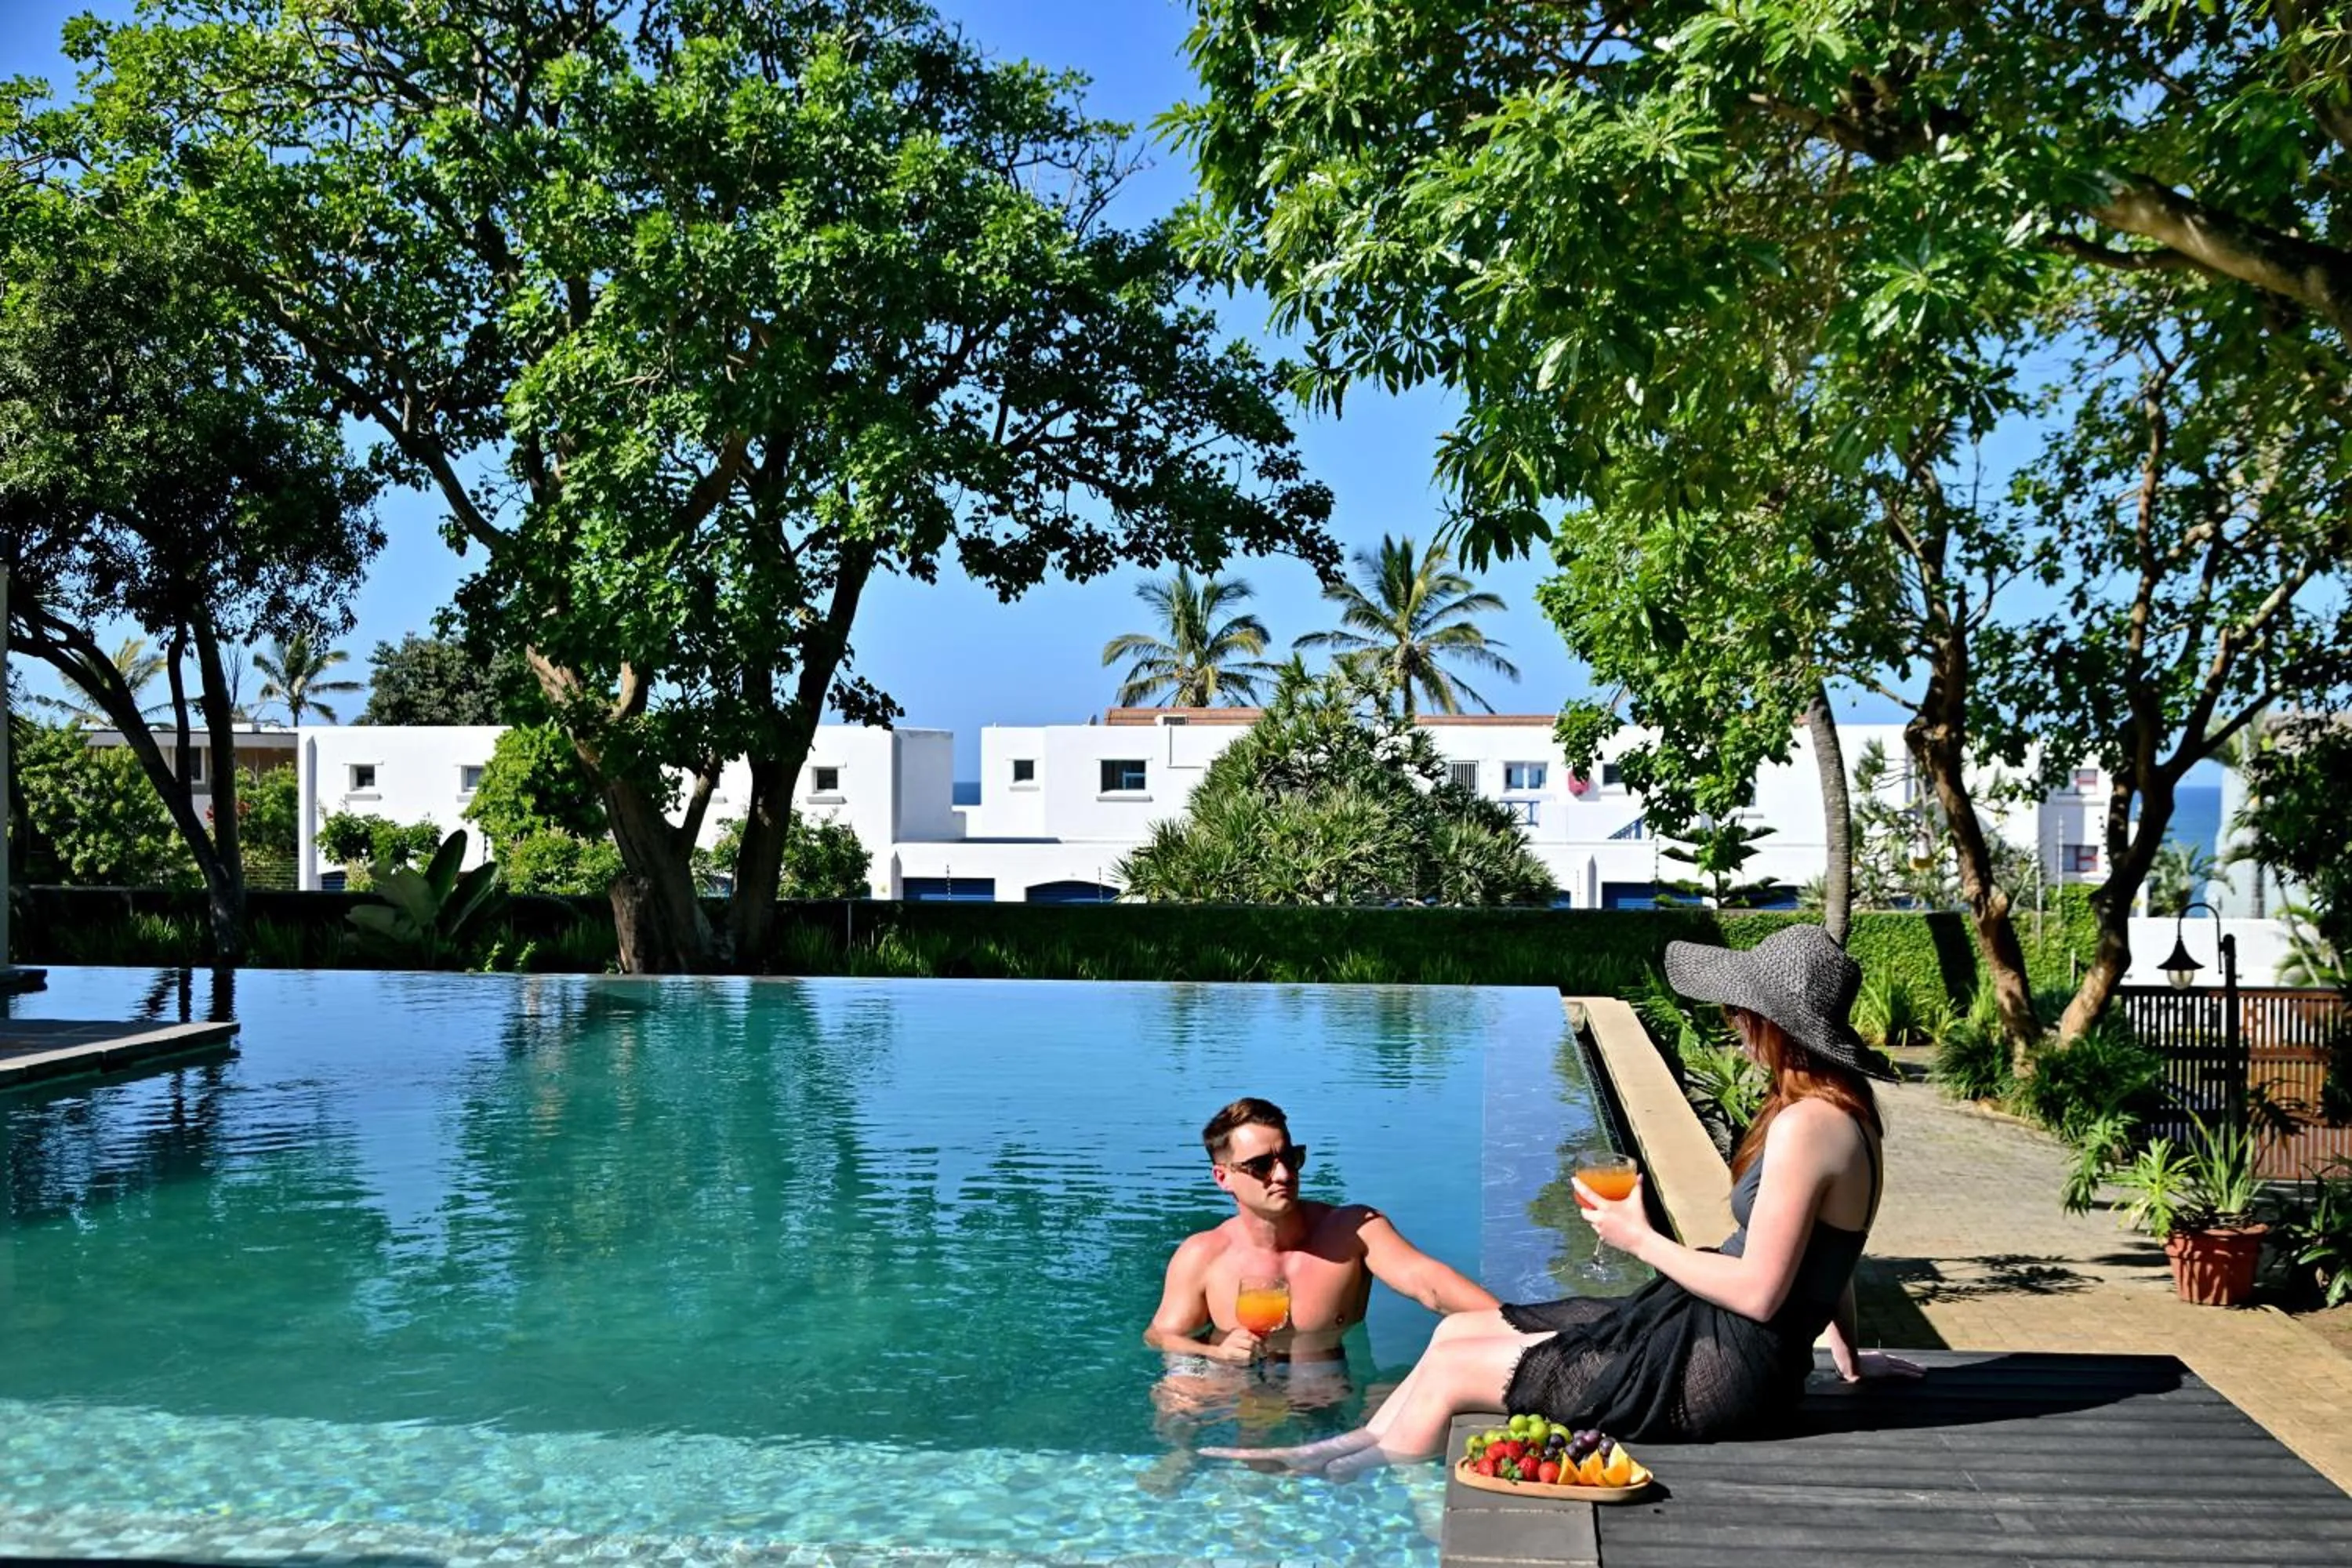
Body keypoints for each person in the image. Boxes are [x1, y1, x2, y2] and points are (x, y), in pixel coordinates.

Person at [1202, 925, 1924, 1480]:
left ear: (1776, 1021)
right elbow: (1832, 1258)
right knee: (1459, 1333)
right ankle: (1346, 1447)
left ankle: (1346, 1486)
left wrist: (1636, 1236)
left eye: (1743, 1011)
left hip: (1723, 1370)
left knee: (1455, 1371)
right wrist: (1852, 1361)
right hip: (1709, 1334)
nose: (1733, 1022)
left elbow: (1765, 1292)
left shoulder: (1806, 1126)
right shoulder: (1845, 1115)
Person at [1145, 1097, 1499, 1370]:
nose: (1283, 1175)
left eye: (1290, 1158)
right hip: (1234, 1385)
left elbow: (1430, 1285)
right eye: (1261, 1166)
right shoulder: (1204, 1254)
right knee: (1182, 1388)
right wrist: (1215, 1353)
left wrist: (1521, 1326)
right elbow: (1161, 1335)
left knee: (1326, 1387)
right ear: (1223, 1178)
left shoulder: (1353, 1231)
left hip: (1324, 1377)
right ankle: (1180, 1461)